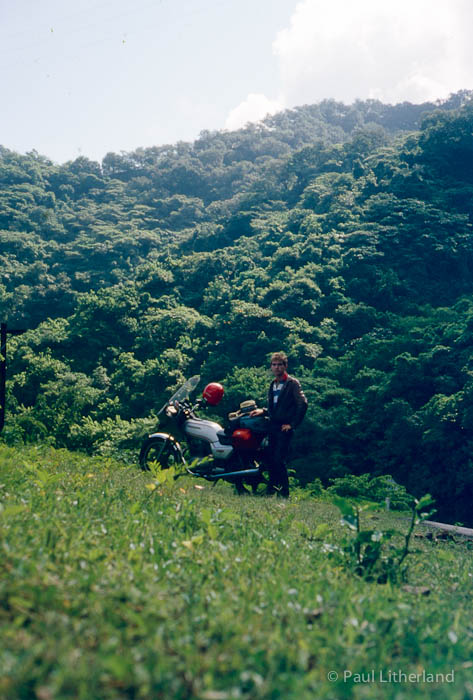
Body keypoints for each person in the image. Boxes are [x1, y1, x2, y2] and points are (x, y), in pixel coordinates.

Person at [251, 352, 308, 498]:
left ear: (285, 366)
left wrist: (292, 424)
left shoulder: (292, 383)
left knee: (278, 459)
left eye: (279, 364)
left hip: (284, 428)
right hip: (273, 426)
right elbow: (275, 408)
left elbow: (303, 404)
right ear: (271, 367)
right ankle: (271, 490)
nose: (276, 367)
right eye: (274, 365)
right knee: (269, 459)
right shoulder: (273, 384)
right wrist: (263, 411)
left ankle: (284, 494)